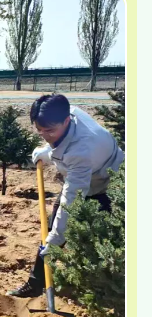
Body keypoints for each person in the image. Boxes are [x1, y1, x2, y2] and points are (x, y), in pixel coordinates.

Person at [8, 93, 124, 299]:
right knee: (52, 227)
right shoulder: (67, 113)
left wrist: (56, 239)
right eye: (39, 130)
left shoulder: (81, 150)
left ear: (66, 120)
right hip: (82, 175)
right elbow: (62, 143)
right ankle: (35, 285)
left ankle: (103, 294)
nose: (44, 135)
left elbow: (71, 201)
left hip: (108, 185)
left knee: (95, 237)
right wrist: (47, 152)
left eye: (49, 130)